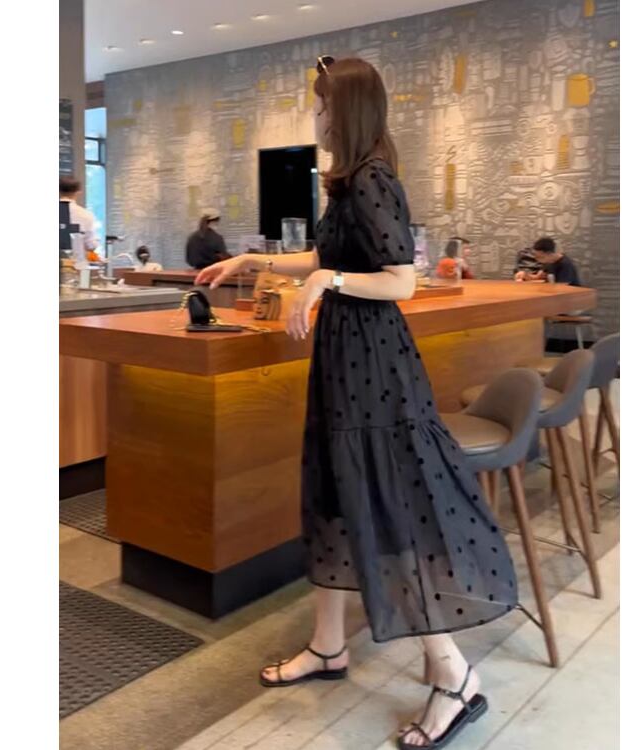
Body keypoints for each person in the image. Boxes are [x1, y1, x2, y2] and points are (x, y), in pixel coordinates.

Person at [195, 55, 517, 750]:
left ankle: (454, 674)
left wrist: (330, 283)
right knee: (336, 496)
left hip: (375, 367)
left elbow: (400, 280)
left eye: (320, 106)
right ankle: (328, 645)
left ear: (346, 110)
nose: (314, 117)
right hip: (347, 361)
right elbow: (326, 259)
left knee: (385, 504)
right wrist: (255, 262)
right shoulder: (348, 181)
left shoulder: (373, 179)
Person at [514, 237, 581, 285]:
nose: (537, 260)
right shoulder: (548, 262)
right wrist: (525, 275)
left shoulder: (565, 265)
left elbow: (563, 288)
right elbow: (538, 277)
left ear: (549, 253)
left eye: (540, 257)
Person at [59, 176, 100, 253]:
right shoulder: (86, 215)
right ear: (78, 192)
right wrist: (96, 241)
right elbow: (90, 245)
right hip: (76, 260)